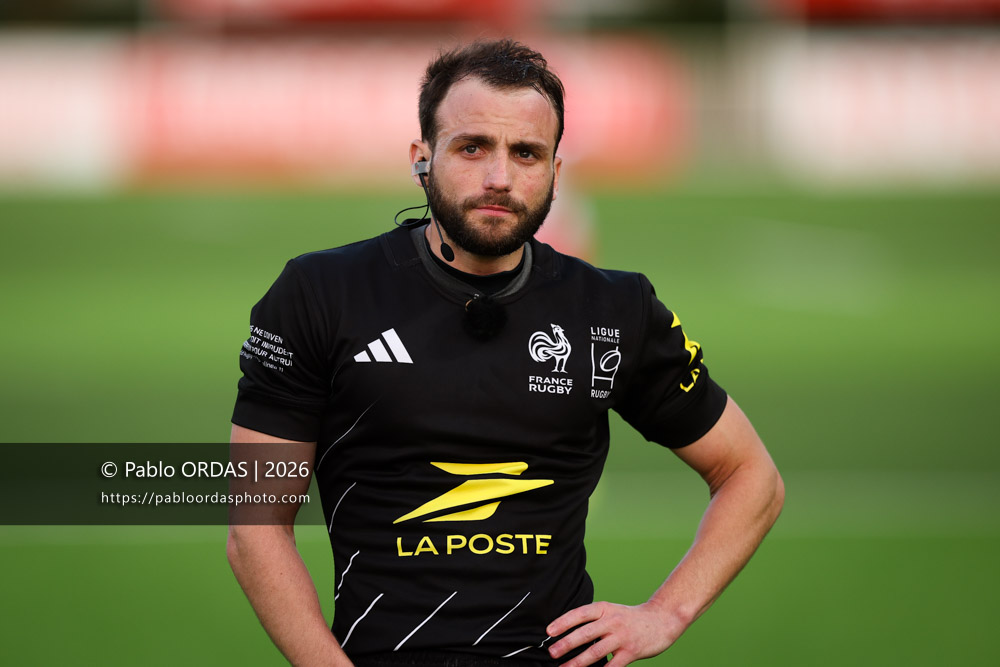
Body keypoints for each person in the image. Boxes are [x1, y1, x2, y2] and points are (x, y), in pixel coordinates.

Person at [227, 39, 784, 667]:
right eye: (472, 148)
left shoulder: (614, 310)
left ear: (555, 171)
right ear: (422, 159)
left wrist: (665, 613)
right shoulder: (320, 295)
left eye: (526, 153)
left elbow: (749, 476)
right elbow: (256, 526)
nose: (499, 177)